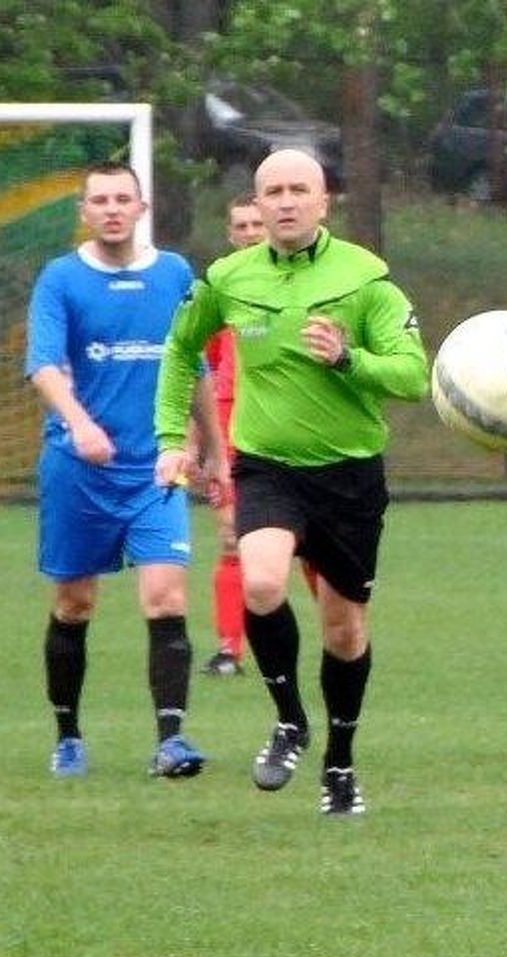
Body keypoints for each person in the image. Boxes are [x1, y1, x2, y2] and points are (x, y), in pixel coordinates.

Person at [152, 149, 428, 817]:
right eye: (271, 190)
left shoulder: (365, 279)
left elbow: (413, 375)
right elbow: (181, 349)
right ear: (257, 201)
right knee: (261, 580)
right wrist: (169, 442)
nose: (283, 202)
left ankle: (339, 761)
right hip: (268, 466)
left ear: (323, 200)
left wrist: (348, 359)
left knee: (343, 633)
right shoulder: (227, 277)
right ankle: (289, 722)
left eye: (297, 189)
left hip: (349, 476)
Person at [26, 162, 213, 781]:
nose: (111, 209)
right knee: (75, 603)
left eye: (122, 199)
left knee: (166, 596)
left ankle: (172, 741)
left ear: (142, 207)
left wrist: (213, 449)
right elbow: (45, 366)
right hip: (78, 469)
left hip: (156, 468)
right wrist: (80, 424)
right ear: (83, 212)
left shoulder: (174, 275)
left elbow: (194, 368)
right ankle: (69, 735)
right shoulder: (61, 280)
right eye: (99, 200)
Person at [192, 193, 268, 678]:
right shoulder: (218, 291)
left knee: (307, 546)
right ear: (230, 232)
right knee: (231, 538)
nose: (249, 232)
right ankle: (229, 649)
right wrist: (195, 442)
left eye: (256, 223)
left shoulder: (296, 286)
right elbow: (203, 368)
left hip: (285, 431)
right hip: (230, 428)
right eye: (240, 224)